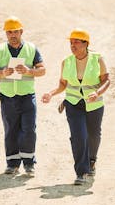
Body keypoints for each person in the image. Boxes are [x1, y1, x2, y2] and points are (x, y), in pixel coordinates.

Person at [42, 29, 110, 185]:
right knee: (78, 136)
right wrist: (51, 93)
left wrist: (97, 93)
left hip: (94, 104)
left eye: (76, 42)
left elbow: (106, 80)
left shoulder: (97, 59)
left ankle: (91, 160)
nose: (72, 45)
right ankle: (82, 172)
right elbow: (63, 84)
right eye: (71, 42)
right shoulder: (67, 61)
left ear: (86, 44)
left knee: (93, 135)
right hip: (73, 104)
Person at [0, 16, 46, 175]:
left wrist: (29, 71)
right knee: (11, 130)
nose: (12, 35)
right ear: (6, 33)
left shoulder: (32, 49)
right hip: (8, 98)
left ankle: (29, 163)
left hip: (27, 96)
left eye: (15, 31)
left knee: (28, 130)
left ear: (21, 32)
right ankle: (12, 164)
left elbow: (42, 70)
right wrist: (2, 72)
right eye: (9, 32)